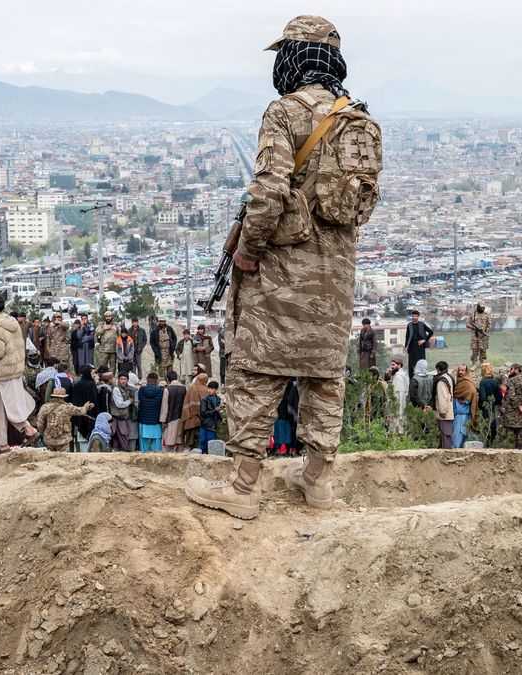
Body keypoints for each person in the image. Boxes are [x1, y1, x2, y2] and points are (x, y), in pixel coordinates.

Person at [185, 14, 384, 517]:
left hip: (280, 274)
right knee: (323, 374)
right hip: (334, 277)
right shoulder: (355, 119)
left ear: (294, 57)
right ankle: (317, 481)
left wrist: (248, 250)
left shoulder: (285, 113)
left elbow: (269, 191)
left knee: (258, 368)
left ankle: (244, 487)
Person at [0, 293, 39, 451]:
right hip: (14, 371)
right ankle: (22, 432)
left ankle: (7, 442)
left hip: (0, 374)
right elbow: (8, 346)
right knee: (11, 406)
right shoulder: (11, 321)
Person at [35, 387, 93, 453]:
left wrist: (45, 433)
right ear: (64, 397)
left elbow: (39, 423)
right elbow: (81, 411)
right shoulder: (67, 407)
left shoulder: (45, 407)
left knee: (50, 458)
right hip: (64, 440)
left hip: (49, 439)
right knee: (64, 459)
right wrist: (86, 407)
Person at [502, 363, 522, 450]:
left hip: (511, 417)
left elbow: (511, 396)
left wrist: (518, 406)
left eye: (511, 369)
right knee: (521, 443)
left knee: (511, 443)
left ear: (516, 369)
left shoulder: (512, 380)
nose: (510, 371)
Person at [68, 364, 97, 449]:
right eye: (92, 373)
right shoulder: (91, 384)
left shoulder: (77, 384)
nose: (94, 375)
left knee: (81, 441)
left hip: (79, 416)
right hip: (90, 416)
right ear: (88, 373)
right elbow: (94, 401)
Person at [159, 371, 187, 452]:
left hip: (170, 419)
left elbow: (165, 407)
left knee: (169, 442)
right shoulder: (184, 388)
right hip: (181, 418)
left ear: (167, 379)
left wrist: (163, 420)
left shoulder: (167, 390)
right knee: (180, 442)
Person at [135, 373, 164, 452]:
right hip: (156, 420)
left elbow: (138, 403)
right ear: (157, 380)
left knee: (143, 442)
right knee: (157, 442)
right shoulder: (161, 391)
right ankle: (157, 460)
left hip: (143, 420)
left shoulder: (141, 390)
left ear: (147, 380)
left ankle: (143, 458)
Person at [452, 364, 479, 449]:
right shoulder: (460, 381)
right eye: (459, 370)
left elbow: (472, 391)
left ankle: (456, 450)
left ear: (466, 371)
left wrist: (466, 400)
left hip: (462, 413)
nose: (460, 372)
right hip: (458, 412)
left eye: (463, 370)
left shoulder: (467, 381)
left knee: (459, 433)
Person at [271, 380, 300, 456]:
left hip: (286, 413)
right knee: (282, 430)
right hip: (282, 412)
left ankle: (286, 449)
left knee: (287, 431)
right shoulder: (291, 386)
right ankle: (280, 449)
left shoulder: (292, 386)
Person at [430, 361, 455, 449]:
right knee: (447, 435)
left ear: (438, 369)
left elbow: (442, 397)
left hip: (444, 413)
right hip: (449, 411)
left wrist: (442, 411)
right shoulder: (449, 377)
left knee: (445, 435)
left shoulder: (441, 381)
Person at [182, 371, 209, 450]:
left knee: (190, 431)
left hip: (189, 413)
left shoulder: (192, 387)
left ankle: (189, 446)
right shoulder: (205, 389)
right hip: (200, 415)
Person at [477, 362, 502, 444]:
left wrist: (480, 405)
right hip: (493, 407)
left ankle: (486, 443)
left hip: (484, 408)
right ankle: (493, 443)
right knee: (493, 426)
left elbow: (483, 397)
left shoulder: (483, 382)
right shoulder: (495, 381)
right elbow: (499, 396)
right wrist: (495, 403)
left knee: (485, 426)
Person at [107, 373, 133, 451]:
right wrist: (129, 401)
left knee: (121, 436)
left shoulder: (125, 389)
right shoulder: (116, 389)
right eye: (121, 379)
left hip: (122, 417)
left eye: (125, 379)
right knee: (120, 435)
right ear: (118, 379)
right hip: (117, 417)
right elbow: (119, 404)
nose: (123, 381)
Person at [406, 310, 434, 377]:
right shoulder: (409, 325)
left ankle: (421, 376)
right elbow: (407, 336)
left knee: (421, 362)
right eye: (413, 316)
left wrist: (424, 340)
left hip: (420, 347)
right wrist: (406, 346)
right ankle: (411, 379)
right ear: (411, 316)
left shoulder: (422, 324)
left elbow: (431, 332)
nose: (414, 317)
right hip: (412, 347)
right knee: (411, 364)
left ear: (418, 317)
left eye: (416, 316)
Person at [198, 381, 222, 453]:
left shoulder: (218, 399)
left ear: (216, 390)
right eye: (209, 388)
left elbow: (217, 411)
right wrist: (215, 410)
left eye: (211, 389)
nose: (209, 390)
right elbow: (203, 413)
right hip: (205, 424)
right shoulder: (205, 400)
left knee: (211, 444)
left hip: (213, 424)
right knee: (203, 443)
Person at [466, 302, 491, 366]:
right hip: (475, 337)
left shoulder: (487, 315)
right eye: (481, 307)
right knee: (474, 350)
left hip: (483, 337)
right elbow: (467, 324)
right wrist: (473, 327)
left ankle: (481, 363)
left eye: (483, 308)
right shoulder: (473, 314)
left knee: (483, 351)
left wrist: (483, 333)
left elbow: (489, 326)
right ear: (478, 307)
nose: (482, 309)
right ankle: (474, 364)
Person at [390, 358, 410, 430]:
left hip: (398, 409)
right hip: (396, 407)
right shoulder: (398, 375)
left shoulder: (399, 377)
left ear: (399, 365)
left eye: (393, 365)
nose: (391, 367)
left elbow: (401, 396)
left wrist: (400, 413)